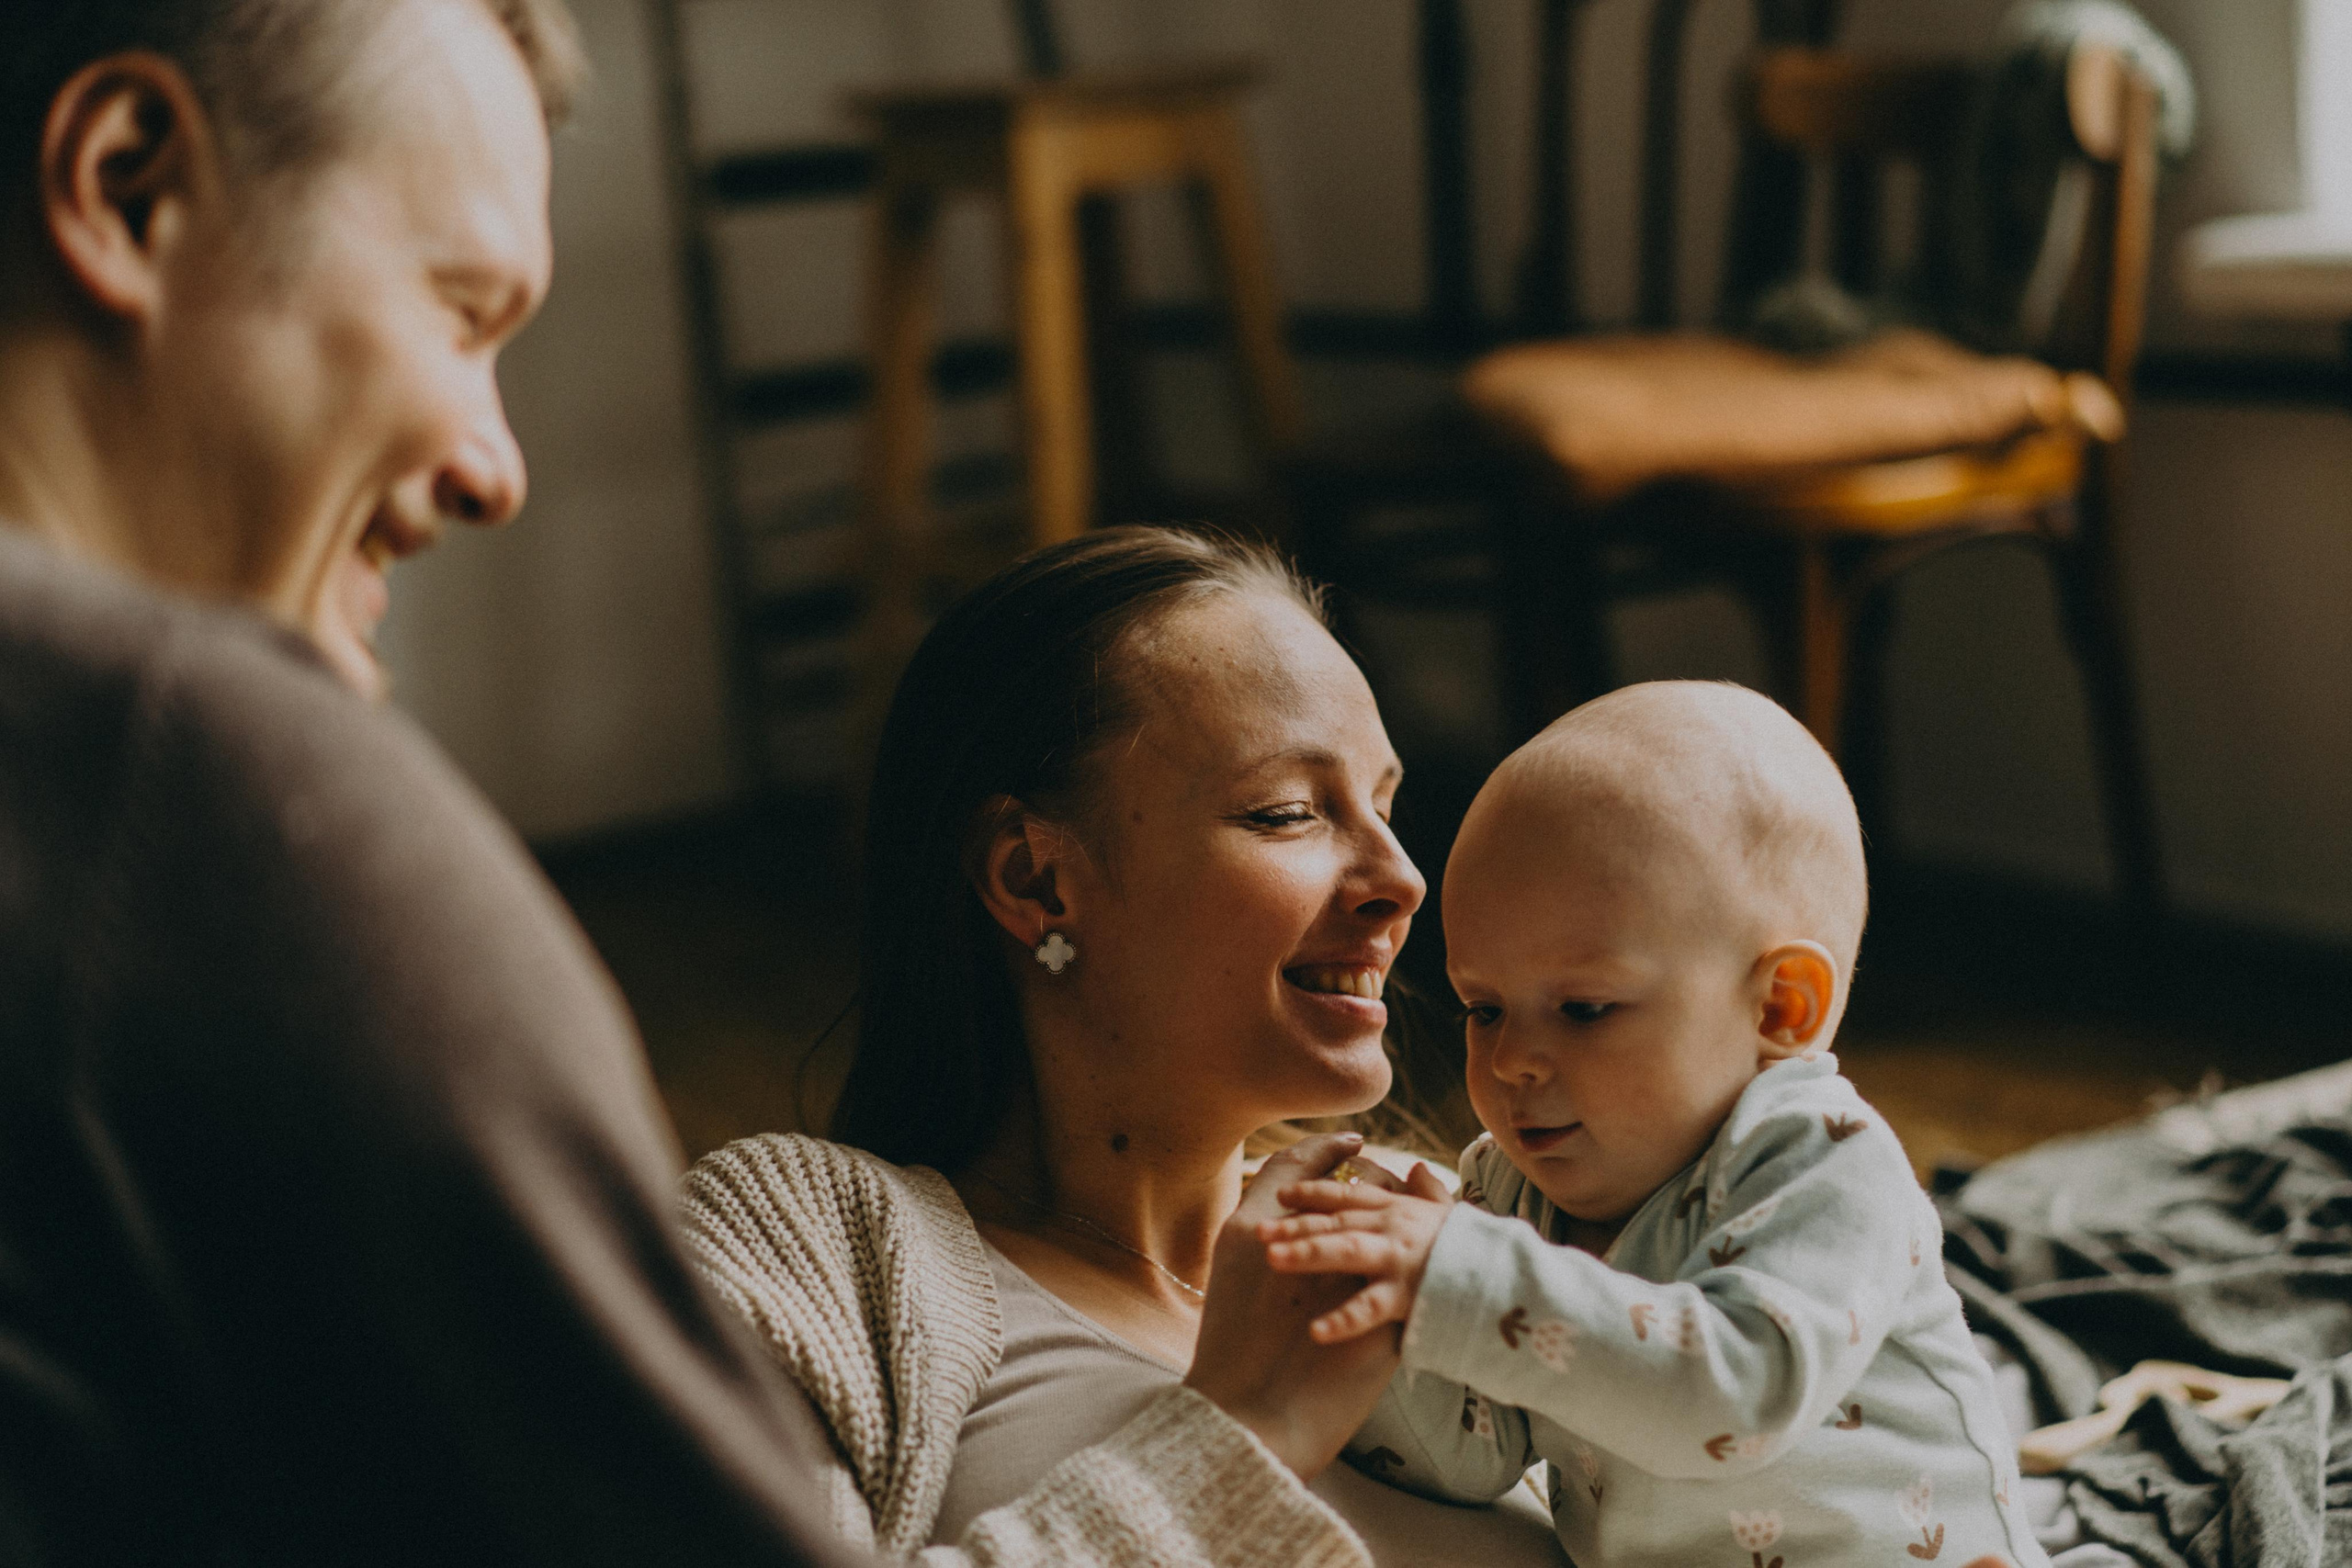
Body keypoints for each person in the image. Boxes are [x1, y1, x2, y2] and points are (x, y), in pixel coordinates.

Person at [0, 5, 1388, 1563]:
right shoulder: (222, 809)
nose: (495, 467)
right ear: (127, 189)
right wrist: (1240, 1438)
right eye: (461, 313)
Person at [683, 527, 1569, 1565]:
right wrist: (1242, 1433)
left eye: (1383, 806)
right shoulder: (812, 1253)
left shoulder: (1456, 1230)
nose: (1402, 878)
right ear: (1035, 881)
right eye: (1288, 812)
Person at [1255, 682, 2044, 1568]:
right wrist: (1375, 1309)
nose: (1513, 1057)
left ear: (1781, 1007)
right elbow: (1469, 1460)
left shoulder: (1825, 1165)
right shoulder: (1509, 1191)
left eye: (1584, 1007)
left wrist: (1458, 1275)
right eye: (1483, 1009)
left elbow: (1736, 1395)